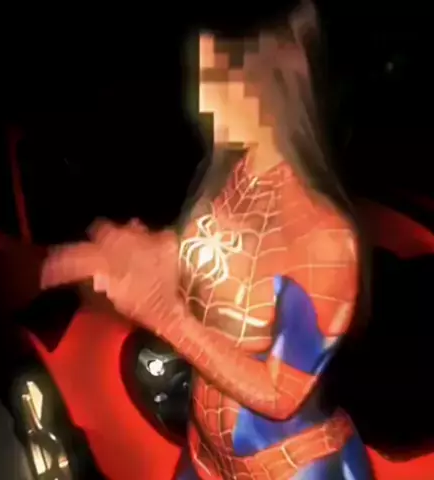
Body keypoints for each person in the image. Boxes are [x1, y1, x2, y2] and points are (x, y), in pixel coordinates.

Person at [41, 1, 373, 478]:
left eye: (220, 81)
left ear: (273, 83)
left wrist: (166, 315)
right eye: (203, 81)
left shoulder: (325, 236)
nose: (205, 103)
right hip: (204, 457)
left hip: (290, 467)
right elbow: (212, 269)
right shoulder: (228, 181)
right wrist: (143, 257)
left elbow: (281, 395)